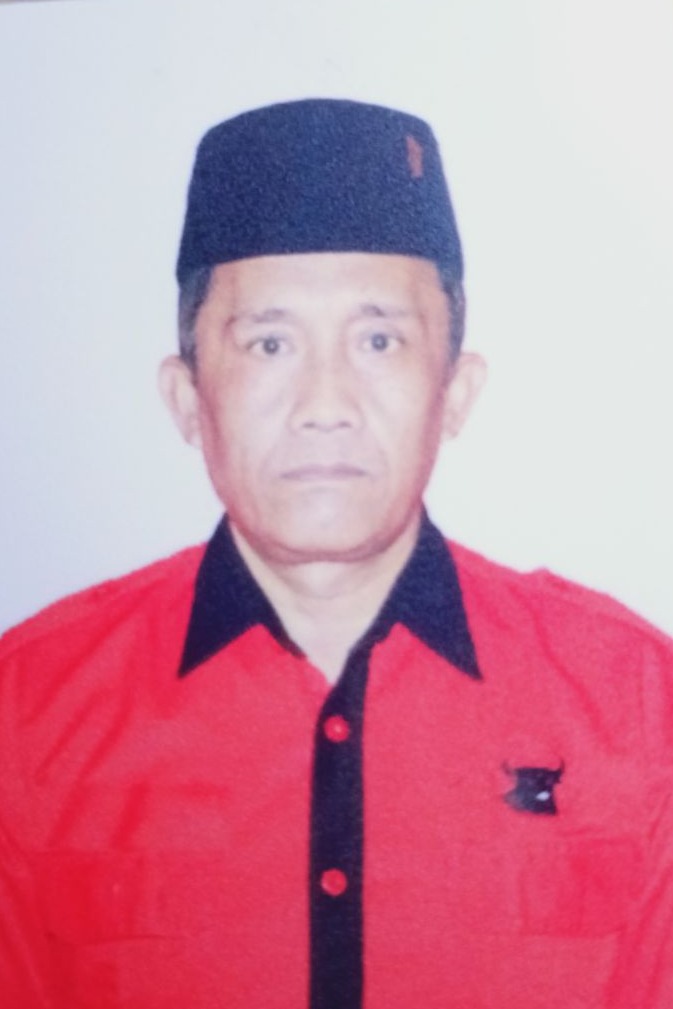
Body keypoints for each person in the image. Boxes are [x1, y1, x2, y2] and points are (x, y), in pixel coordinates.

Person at [0, 98, 671, 1009]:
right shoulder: (30, 710)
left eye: (378, 340)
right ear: (187, 398)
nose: (325, 403)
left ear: (455, 391)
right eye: (269, 343)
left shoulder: (634, 700)